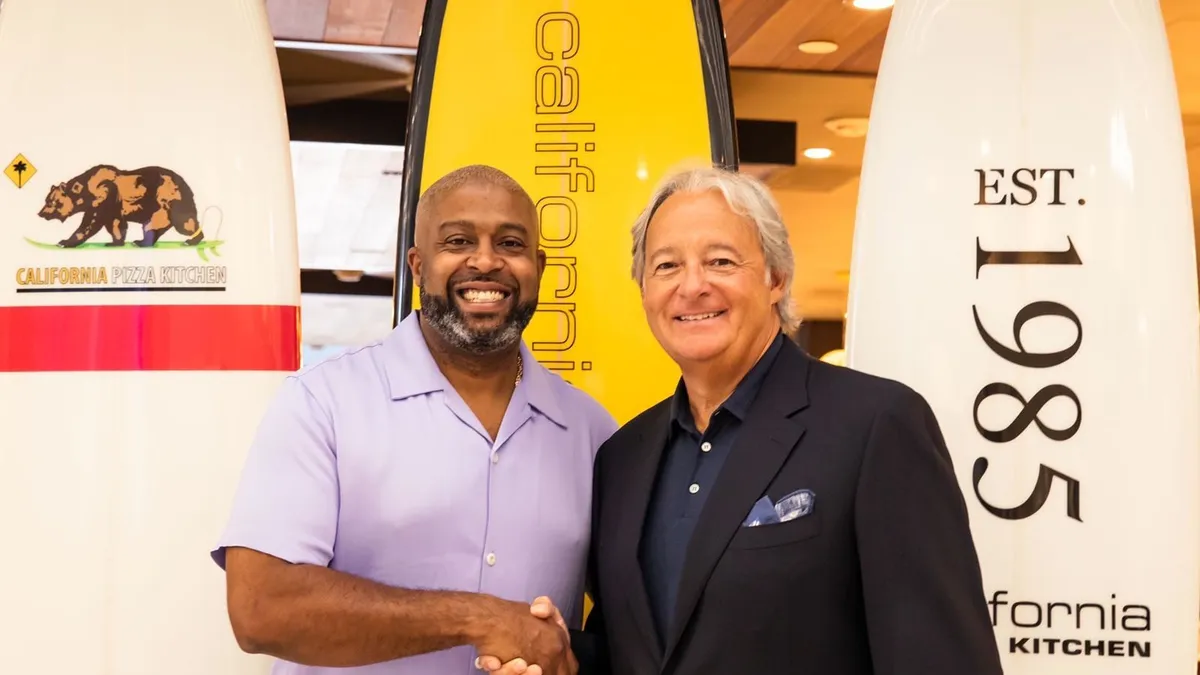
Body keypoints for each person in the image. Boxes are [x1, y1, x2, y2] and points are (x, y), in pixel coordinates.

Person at [487, 165, 1005, 674]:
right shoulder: (623, 456)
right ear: (643, 291)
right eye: (666, 266)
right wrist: (565, 660)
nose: (692, 286)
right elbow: (639, 646)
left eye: (720, 261)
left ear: (775, 278)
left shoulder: (877, 426)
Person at [211, 164, 617, 675]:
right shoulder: (323, 403)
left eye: (510, 244)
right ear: (418, 266)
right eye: (458, 240)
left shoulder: (593, 432)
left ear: (538, 265)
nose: (486, 261)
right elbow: (260, 609)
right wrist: (477, 617)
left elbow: (633, 627)